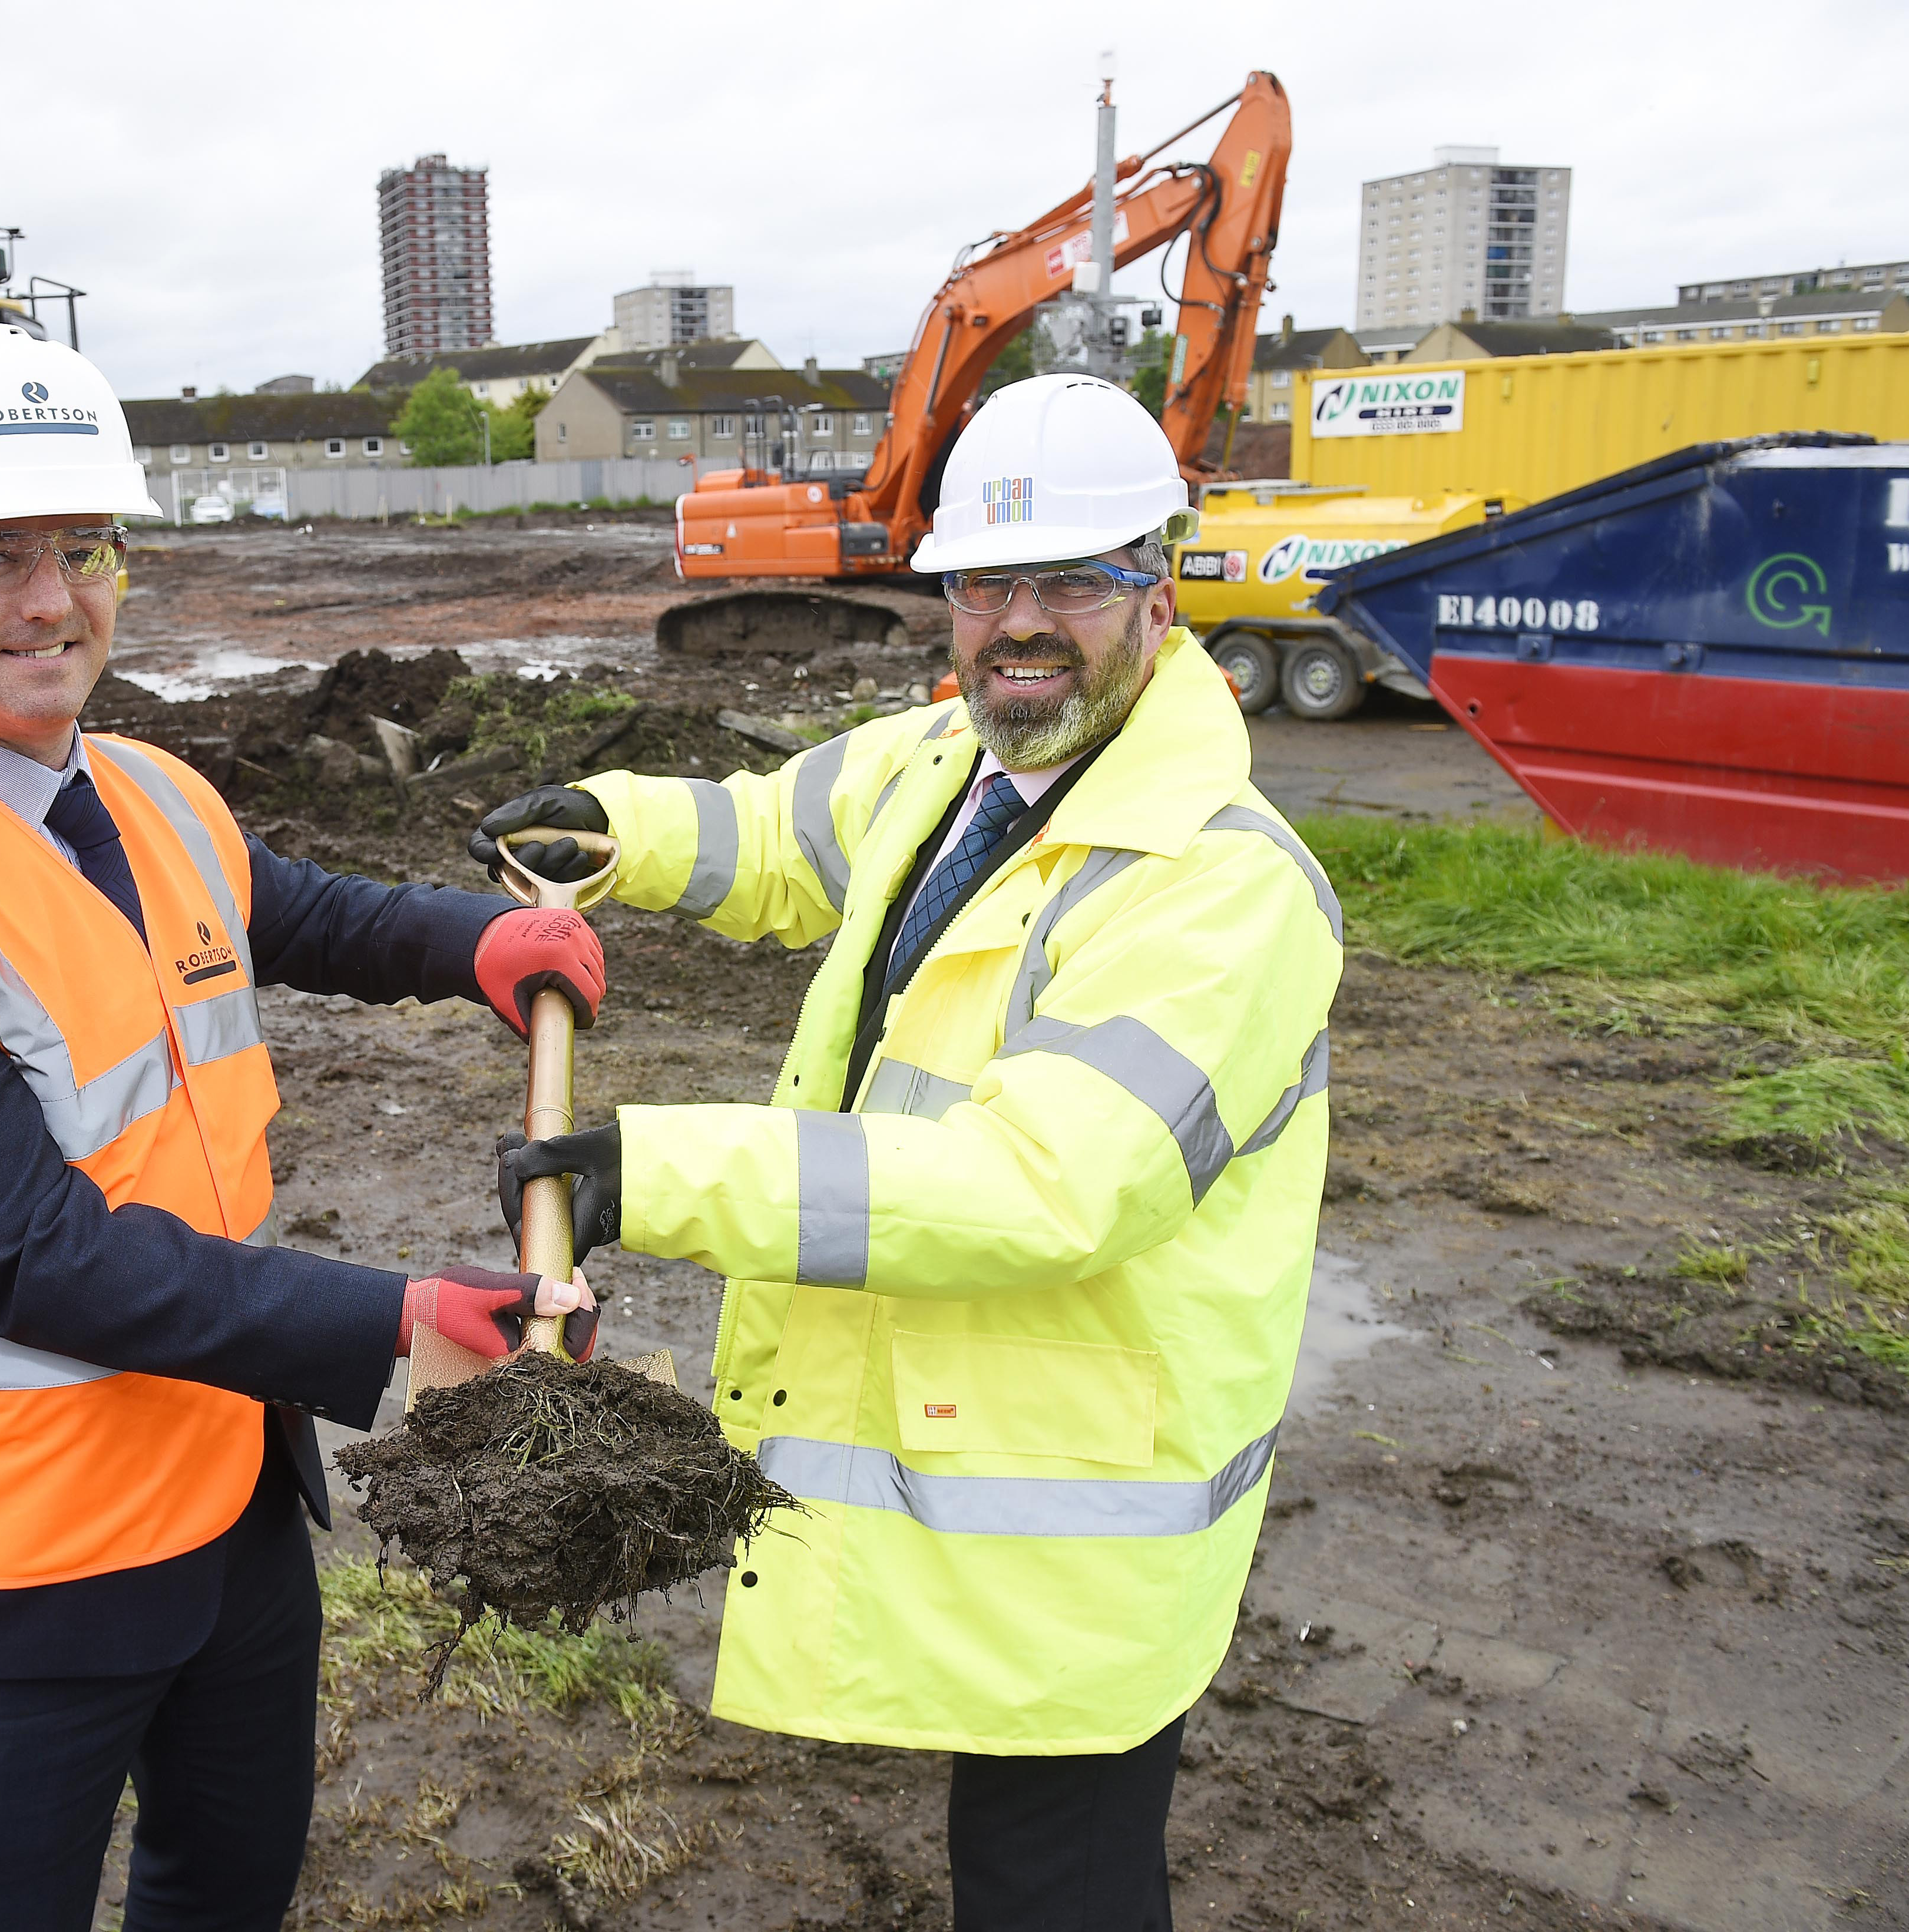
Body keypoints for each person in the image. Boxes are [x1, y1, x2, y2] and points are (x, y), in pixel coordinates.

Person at [0, 324, 605, 1932]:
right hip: (12, 1561)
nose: (52, 600)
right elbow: (39, 1257)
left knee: (225, 1888)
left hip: (234, 1509)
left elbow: (299, 910)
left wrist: (474, 941)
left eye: (82, 550)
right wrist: (391, 1324)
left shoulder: (158, 793)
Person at [477, 373, 1344, 1931]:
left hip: (1085, 1505)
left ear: (1161, 586)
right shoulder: (956, 766)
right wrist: (609, 826)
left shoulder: (1223, 889)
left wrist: (659, 1177)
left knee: (1053, 1877)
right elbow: (779, 830)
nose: (1019, 621)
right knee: (1016, 1859)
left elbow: (1045, 1184)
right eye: (984, 583)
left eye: (1070, 580)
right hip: (995, 1450)